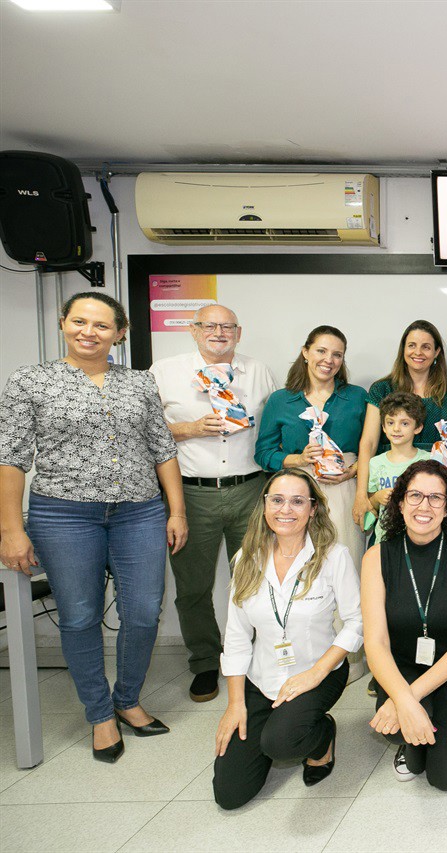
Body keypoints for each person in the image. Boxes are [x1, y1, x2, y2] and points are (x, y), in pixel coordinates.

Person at [0, 292, 187, 762]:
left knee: (144, 611)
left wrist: (177, 511)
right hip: (63, 514)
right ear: (64, 323)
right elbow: (11, 459)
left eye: (102, 326)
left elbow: (162, 448)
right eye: (80, 321)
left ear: (119, 334)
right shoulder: (31, 381)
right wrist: (10, 529)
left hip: (140, 511)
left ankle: (127, 700)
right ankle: (99, 714)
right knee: (80, 615)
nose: (89, 332)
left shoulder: (139, 384)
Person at [150, 303, 279, 703]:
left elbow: (275, 427)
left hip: (249, 490)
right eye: (210, 325)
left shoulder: (258, 372)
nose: (219, 332)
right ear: (193, 330)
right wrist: (187, 429)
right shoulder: (163, 372)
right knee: (193, 586)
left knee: (256, 581)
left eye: (228, 327)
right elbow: (144, 429)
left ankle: (256, 658)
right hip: (190, 493)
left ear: (238, 333)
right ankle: (205, 661)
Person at [212, 468, 362, 809]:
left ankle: (321, 738)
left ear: (313, 509)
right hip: (262, 679)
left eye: (298, 501)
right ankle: (274, 732)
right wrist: (236, 705)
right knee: (230, 795)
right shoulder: (245, 560)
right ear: (264, 506)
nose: (286, 510)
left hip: (317, 673)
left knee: (280, 743)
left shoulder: (332, 557)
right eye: (277, 500)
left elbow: (357, 621)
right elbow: (236, 638)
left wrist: (317, 673)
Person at [361, 459, 447, 790]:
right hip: (404, 667)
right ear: (400, 502)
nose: (425, 506)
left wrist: (404, 700)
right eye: (415, 495)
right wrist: (404, 697)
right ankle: (412, 740)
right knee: (412, 740)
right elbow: (375, 642)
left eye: (436, 498)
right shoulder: (376, 557)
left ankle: (431, 718)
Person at [256, 325, 367, 561]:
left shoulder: (358, 397)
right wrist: (298, 459)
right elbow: (263, 454)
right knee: (300, 562)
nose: (329, 360)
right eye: (321, 351)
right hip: (296, 491)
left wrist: (351, 472)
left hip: (345, 490)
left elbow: (374, 448)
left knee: (346, 560)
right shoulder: (280, 400)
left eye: (337, 354)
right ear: (305, 352)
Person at [353, 320, 447, 530]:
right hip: (388, 478)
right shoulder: (382, 389)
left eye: (426, 347)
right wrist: (361, 494)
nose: (418, 352)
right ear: (403, 349)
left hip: (430, 485)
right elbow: (369, 442)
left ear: (437, 352)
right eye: (412, 345)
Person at [363, 392, 431, 544]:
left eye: (404, 423)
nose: (396, 429)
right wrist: (377, 497)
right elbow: (371, 503)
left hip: (419, 539)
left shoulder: (428, 461)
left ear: (418, 427)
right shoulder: (375, 463)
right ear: (383, 427)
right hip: (386, 539)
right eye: (390, 422)